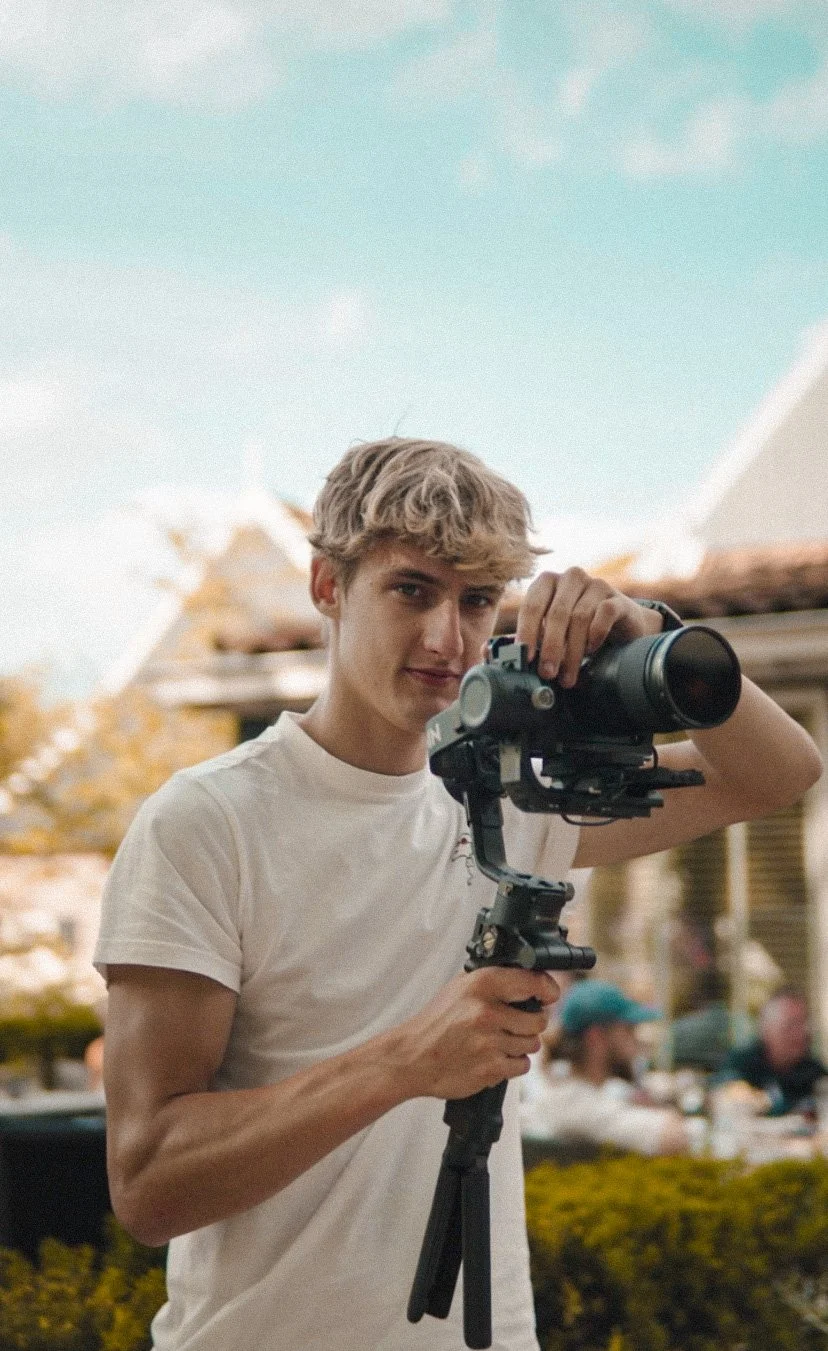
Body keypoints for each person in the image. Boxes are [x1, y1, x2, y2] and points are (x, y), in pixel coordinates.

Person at [94, 438, 822, 1351]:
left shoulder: (517, 798)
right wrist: (404, 1060)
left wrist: (650, 630)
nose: (448, 636)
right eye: (412, 590)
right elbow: (150, 1182)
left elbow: (778, 773)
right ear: (327, 585)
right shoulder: (206, 823)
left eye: (477, 599)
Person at [520, 980, 692, 1156]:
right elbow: (674, 1137)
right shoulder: (574, 1101)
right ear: (596, 1038)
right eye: (628, 1029)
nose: (635, 1040)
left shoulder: (573, 1090)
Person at [713, 988, 827, 1116]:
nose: (802, 1033)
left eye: (804, 1024)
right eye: (791, 1025)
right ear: (766, 1029)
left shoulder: (812, 1070)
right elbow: (721, 1097)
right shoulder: (742, 1062)